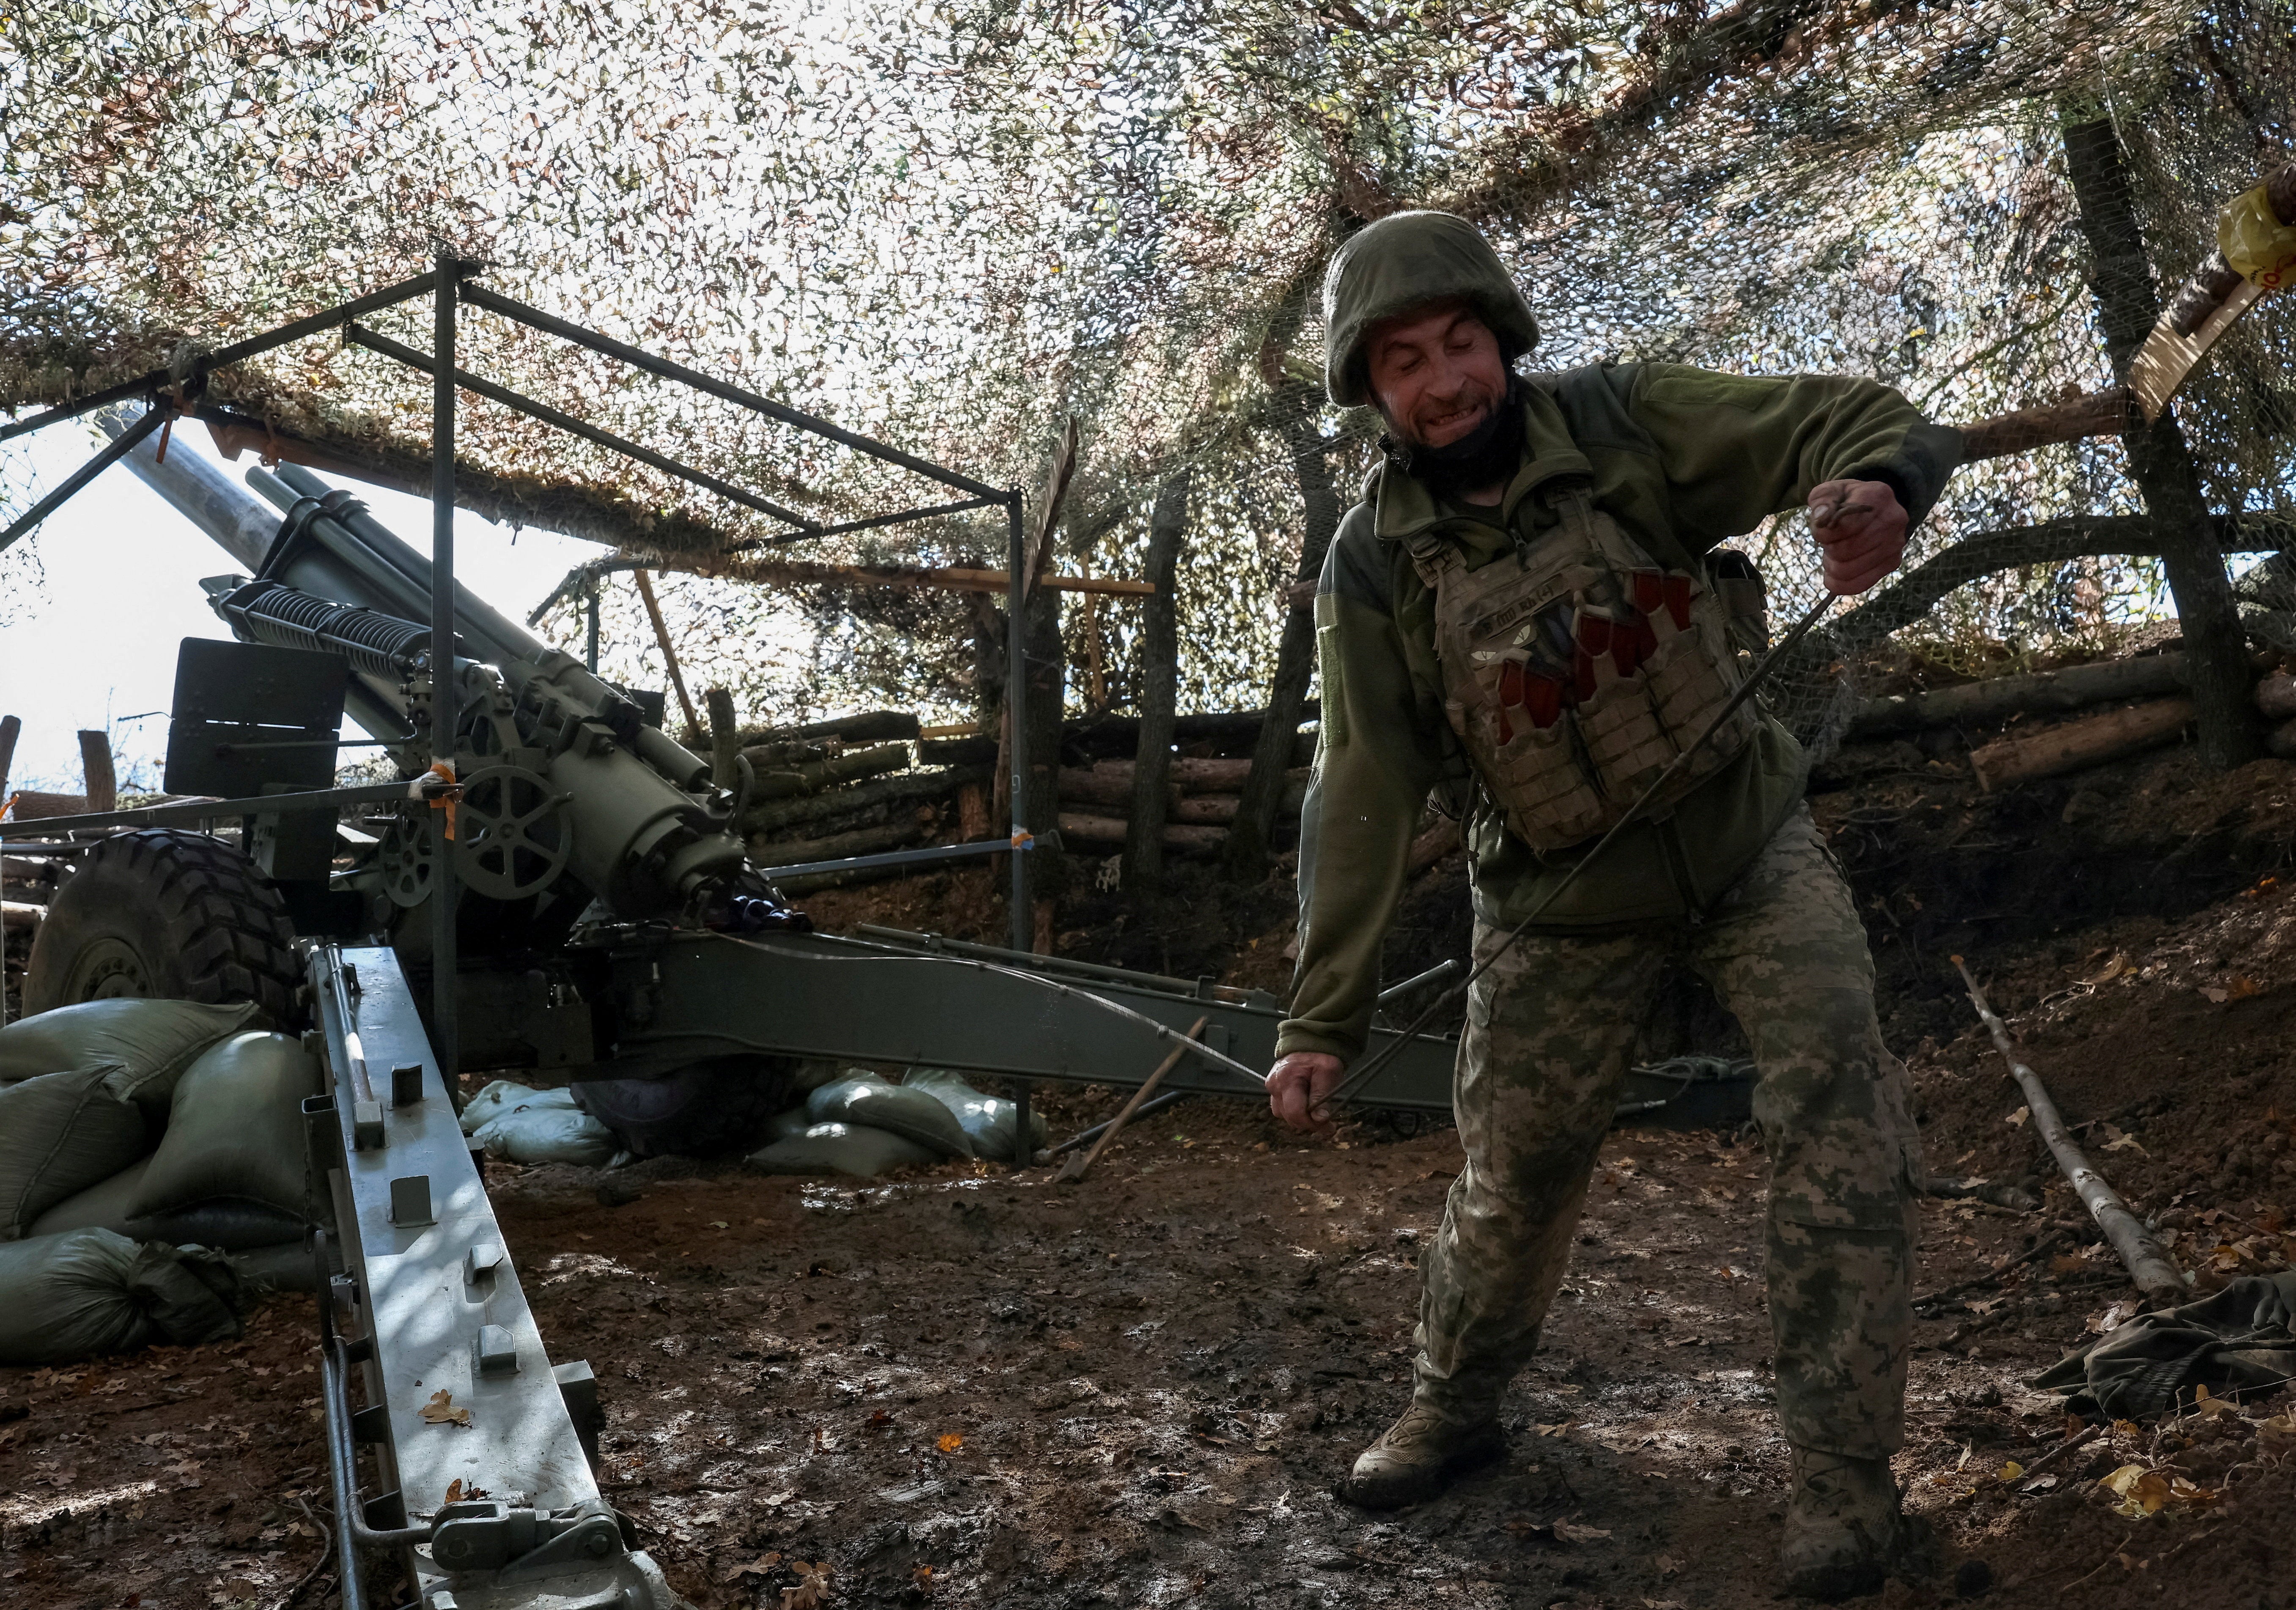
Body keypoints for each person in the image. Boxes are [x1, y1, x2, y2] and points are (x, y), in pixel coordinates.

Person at [1265, 210, 1961, 1601]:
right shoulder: (1373, 560)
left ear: (1503, 339)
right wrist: (1322, 1011)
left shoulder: (1629, 421)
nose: (1443, 380)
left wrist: (1879, 487)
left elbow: (1854, 419)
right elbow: (1365, 777)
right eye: (1403, 362)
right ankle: (1453, 1408)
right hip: (1553, 903)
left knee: (1840, 1111)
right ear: (1371, 390)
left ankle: (1842, 1481)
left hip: (1746, 844)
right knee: (1513, 1173)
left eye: (1460, 343)